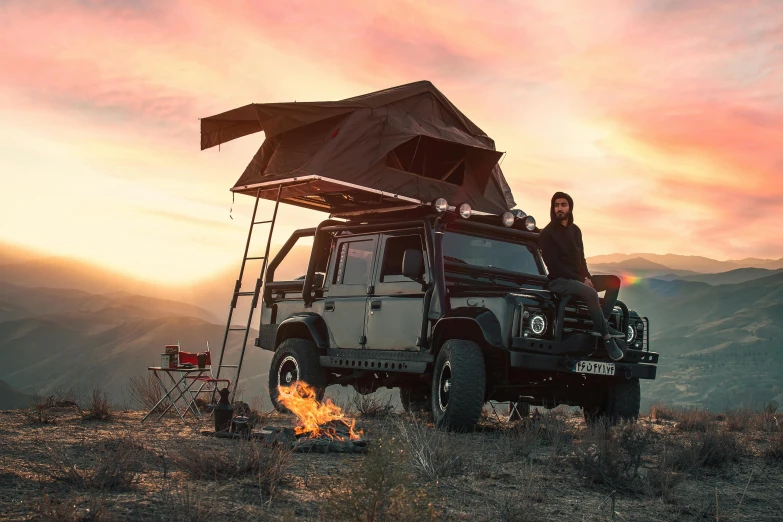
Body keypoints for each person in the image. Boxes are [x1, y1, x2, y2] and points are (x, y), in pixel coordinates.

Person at [539, 192, 625, 361]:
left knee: (614, 281)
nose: (559, 209)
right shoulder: (547, 234)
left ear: (570, 207)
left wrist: (587, 277)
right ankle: (607, 338)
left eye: (563, 205)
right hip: (559, 281)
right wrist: (582, 281)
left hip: (579, 279)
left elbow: (581, 259)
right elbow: (554, 266)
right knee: (591, 293)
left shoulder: (575, 230)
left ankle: (603, 321)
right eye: (556, 205)